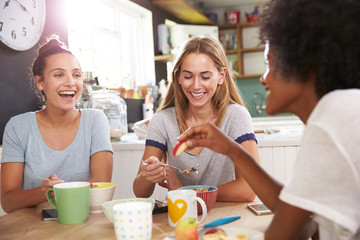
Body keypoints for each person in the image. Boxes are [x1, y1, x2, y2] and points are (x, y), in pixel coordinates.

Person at [178, 0, 360, 239]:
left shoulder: (332, 116)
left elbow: (281, 234)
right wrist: (232, 150)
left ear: (303, 65)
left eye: (268, 64)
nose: (264, 78)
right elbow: (302, 220)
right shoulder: (344, 110)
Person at [133, 37, 259, 201]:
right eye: (188, 76)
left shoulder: (237, 116)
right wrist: (148, 174)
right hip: (182, 218)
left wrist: (186, 193)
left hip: (227, 217)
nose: (196, 85)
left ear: (221, 76)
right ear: (178, 77)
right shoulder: (162, 120)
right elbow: (140, 192)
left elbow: (249, 189)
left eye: (205, 77)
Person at [0, 35, 113, 213]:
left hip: (83, 222)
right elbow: (8, 201)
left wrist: (58, 190)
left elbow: (101, 185)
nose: (71, 82)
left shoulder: (95, 120)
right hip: (30, 229)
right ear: (39, 82)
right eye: (59, 75)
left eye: (76, 74)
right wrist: (43, 191)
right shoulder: (17, 127)